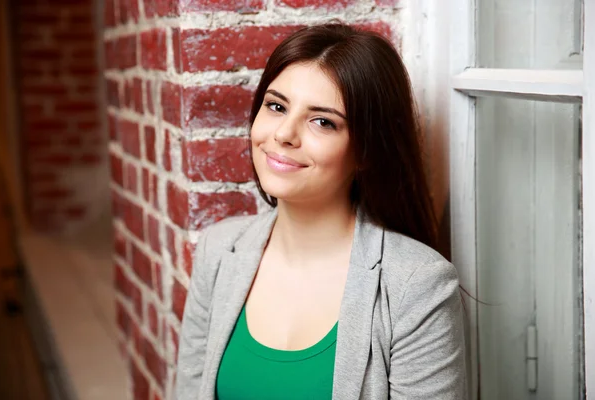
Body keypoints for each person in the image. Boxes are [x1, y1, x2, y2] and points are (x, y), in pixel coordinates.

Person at [175, 22, 467, 400]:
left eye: (323, 121)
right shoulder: (219, 250)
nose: (283, 134)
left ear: (365, 150)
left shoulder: (418, 285)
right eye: (276, 106)